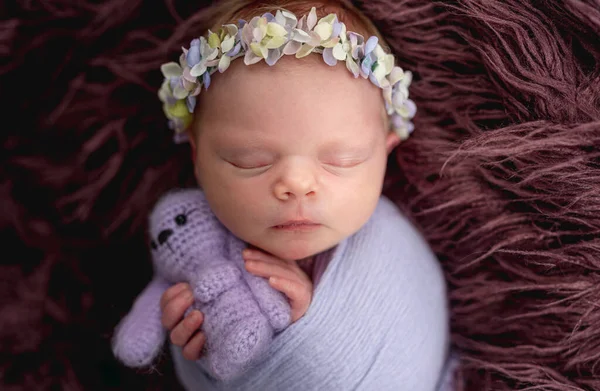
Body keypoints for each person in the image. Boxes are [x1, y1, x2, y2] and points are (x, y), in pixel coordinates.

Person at [154, 0, 452, 389]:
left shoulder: (391, 249)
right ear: (197, 158)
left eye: (343, 159)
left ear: (385, 153)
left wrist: (315, 329)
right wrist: (204, 349)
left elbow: (411, 350)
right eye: (250, 160)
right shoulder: (192, 249)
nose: (296, 183)